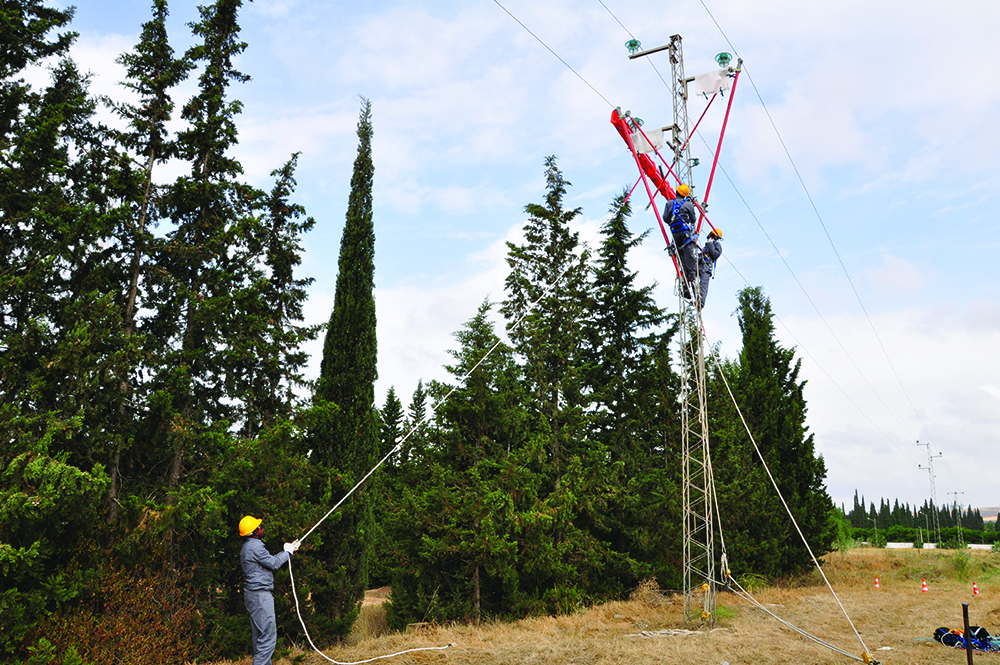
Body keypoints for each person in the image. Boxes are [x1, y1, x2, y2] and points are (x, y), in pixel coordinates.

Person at [239, 515, 299, 665]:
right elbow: (273, 563)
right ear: (255, 532)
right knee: (267, 639)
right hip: (260, 596)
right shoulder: (255, 546)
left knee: (260, 639)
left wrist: (286, 552)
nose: (262, 529)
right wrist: (288, 552)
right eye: (259, 527)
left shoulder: (247, 547)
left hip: (253, 596)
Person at [665, 183, 699, 297]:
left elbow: (665, 218)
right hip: (685, 234)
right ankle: (692, 282)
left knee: (682, 260)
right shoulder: (688, 204)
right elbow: (693, 219)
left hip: (675, 235)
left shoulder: (669, 203)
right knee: (689, 259)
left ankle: (685, 287)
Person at [696, 228, 723, 309]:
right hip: (700, 266)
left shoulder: (716, 245)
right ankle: (689, 293)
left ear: (714, 236)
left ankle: (700, 303)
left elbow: (715, 255)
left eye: (711, 234)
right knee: (691, 276)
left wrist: (710, 244)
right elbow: (702, 256)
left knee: (703, 285)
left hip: (706, 268)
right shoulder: (706, 245)